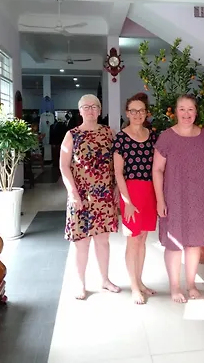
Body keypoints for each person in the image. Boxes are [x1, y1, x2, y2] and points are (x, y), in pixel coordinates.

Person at [152, 94, 204, 303]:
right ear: (175, 112)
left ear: (196, 112)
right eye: (182, 109)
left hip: (199, 199)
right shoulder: (166, 137)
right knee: (174, 244)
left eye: (190, 109)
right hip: (174, 198)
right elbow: (157, 170)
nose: (186, 114)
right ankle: (175, 287)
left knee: (194, 243)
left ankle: (191, 284)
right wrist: (160, 200)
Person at [60, 94, 120, 300]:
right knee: (82, 242)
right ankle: (80, 283)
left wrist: (117, 187)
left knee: (103, 240)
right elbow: (64, 166)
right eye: (86, 107)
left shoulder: (109, 133)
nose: (91, 110)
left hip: (104, 196)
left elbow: (117, 164)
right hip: (80, 197)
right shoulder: (72, 135)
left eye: (95, 107)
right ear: (80, 111)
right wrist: (72, 193)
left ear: (100, 110)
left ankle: (105, 279)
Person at [113, 93, 158, 305]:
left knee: (143, 239)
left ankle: (140, 282)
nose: (138, 114)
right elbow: (118, 173)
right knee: (133, 239)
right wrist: (127, 201)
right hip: (131, 192)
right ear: (127, 113)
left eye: (141, 110)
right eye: (133, 111)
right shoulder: (121, 138)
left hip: (150, 191)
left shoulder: (153, 136)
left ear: (146, 113)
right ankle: (133, 286)